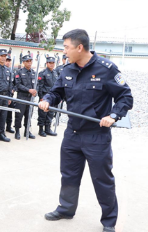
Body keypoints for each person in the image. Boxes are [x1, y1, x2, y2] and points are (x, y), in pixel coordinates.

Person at [39, 29, 133, 232]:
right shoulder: (67, 69)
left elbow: (125, 97)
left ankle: (109, 222)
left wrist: (113, 116)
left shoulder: (106, 69)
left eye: (66, 47)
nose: (64, 52)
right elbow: (57, 92)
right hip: (72, 133)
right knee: (69, 175)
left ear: (79, 47)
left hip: (96, 136)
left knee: (102, 179)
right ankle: (66, 209)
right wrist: (47, 100)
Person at [13, 55, 37, 139]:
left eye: (30, 61)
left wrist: (34, 92)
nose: (29, 62)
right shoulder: (19, 72)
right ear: (23, 62)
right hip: (21, 97)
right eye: (27, 61)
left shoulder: (33, 72)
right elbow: (18, 84)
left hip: (30, 98)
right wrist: (28, 90)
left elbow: (36, 85)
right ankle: (17, 131)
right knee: (19, 115)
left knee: (29, 115)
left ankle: (27, 131)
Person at [37, 56, 58, 137]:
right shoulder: (43, 73)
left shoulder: (55, 73)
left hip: (53, 97)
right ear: (47, 63)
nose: (51, 64)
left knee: (50, 114)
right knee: (42, 114)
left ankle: (48, 129)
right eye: (50, 63)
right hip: (45, 97)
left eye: (53, 63)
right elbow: (40, 87)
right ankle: (41, 130)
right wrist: (41, 97)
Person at [5, 55, 16, 134]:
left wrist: (13, 89)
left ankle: (8, 126)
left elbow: (15, 83)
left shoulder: (12, 72)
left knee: (9, 112)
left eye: (9, 61)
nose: (8, 62)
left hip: (10, 95)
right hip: (3, 94)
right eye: (7, 60)